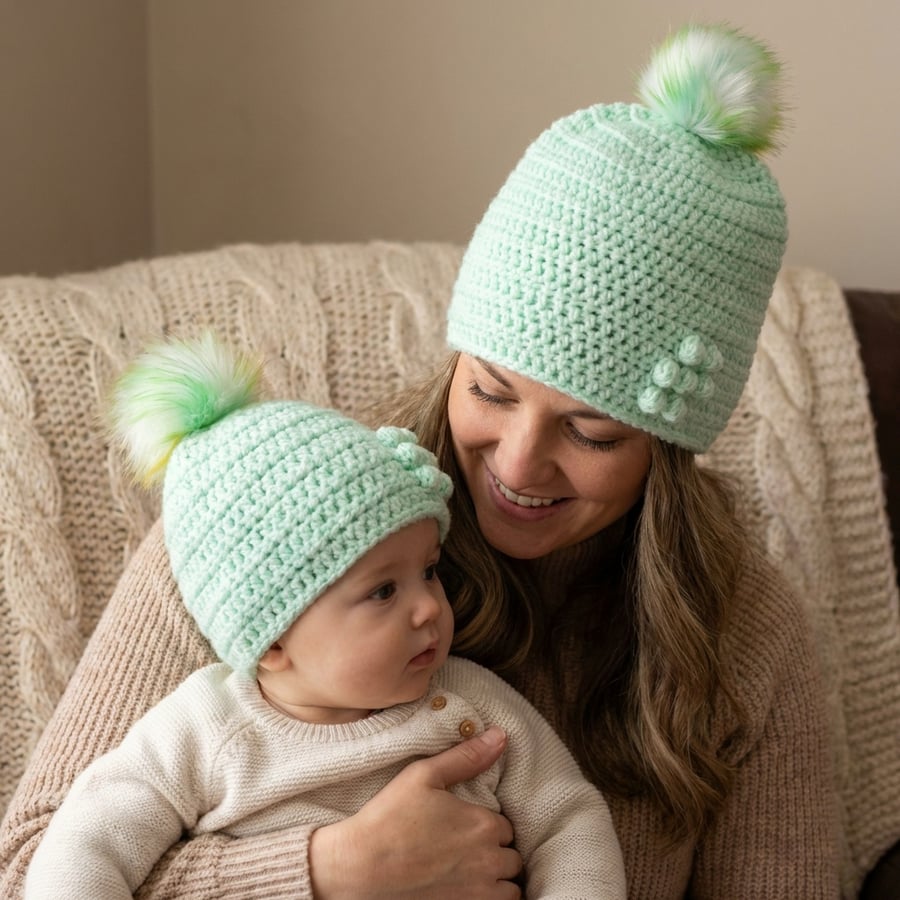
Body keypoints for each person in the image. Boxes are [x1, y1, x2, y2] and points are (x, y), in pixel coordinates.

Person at [1, 22, 839, 899]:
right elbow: (32, 869)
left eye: (592, 433)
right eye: (490, 390)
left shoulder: (740, 632)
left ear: (670, 452)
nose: (518, 464)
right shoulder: (268, 524)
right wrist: (324, 872)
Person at [23, 333, 626, 899]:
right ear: (274, 643)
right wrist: (325, 870)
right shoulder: (206, 729)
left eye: (429, 571)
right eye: (383, 592)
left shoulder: (469, 704)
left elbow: (569, 819)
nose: (429, 607)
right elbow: (82, 845)